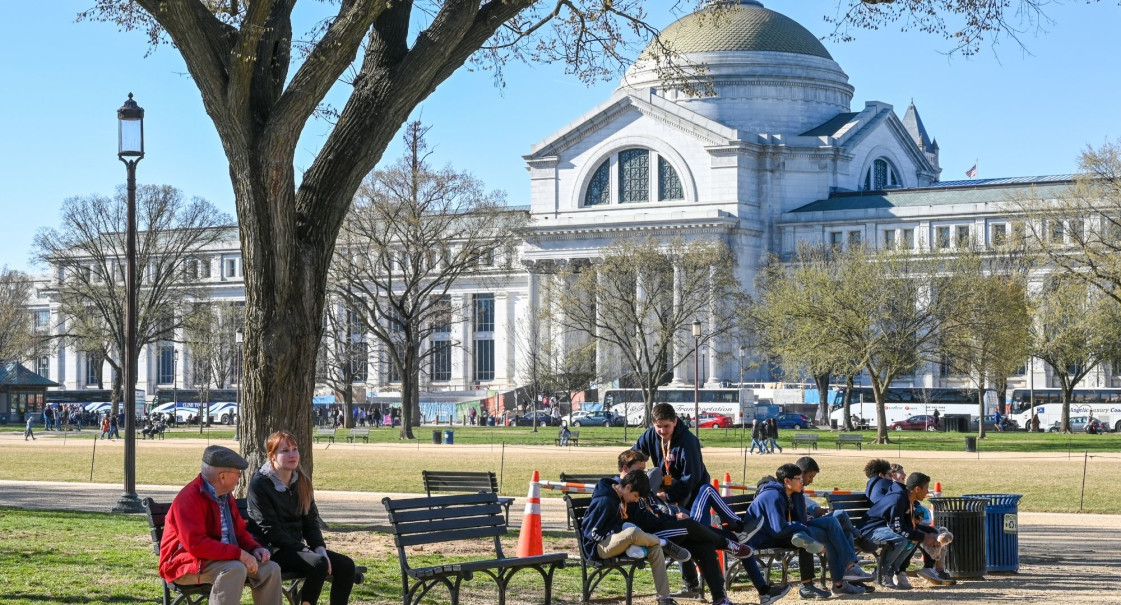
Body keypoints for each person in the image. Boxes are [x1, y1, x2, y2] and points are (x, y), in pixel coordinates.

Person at [617, 449, 788, 605]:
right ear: (625, 468)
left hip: (672, 527)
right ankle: (734, 539)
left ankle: (720, 599)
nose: (644, 474)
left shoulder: (641, 488)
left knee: (705, 546)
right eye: (639, 470)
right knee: (697, 519)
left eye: (644, 470)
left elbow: (655, 510)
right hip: (656, 536)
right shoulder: (625, 490)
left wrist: (670, 512)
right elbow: (640, 520)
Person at [158, 445, 282, 605]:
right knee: (235, 569)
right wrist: (239, 554)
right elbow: (196, 545)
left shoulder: (225, 496)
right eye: (237, 474)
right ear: (222, 477)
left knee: (271, 570)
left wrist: (253, 549)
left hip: (225, 558)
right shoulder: (189, 498)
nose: (239, 478)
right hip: (187, 562)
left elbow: (240, 532)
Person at [247, 431, 356, 605]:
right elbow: (268, 528)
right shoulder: (260, 484)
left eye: (295, 449)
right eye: (285, 451)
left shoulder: (302, 481)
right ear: (272, 456)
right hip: (270, 550)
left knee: (346, 565)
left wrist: (319, 547)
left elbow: (310, 522)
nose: (292, 454)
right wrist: (303, 549)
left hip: (296, 549)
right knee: (318, 564)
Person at [581, 469, 692, 605]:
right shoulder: (605, 501)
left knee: (654, 548)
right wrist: (618, 532)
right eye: (635, 496)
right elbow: (592, 533)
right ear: (628, 487)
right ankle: (665, 543)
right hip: (598, 547)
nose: (636, 500)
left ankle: (664, 598)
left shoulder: (622, 498)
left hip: (618, 542)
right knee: (632, 532)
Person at [633, 403, 743, 529]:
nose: (662, 431)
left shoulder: (688, 442)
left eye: (666, 426)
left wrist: (669, 496)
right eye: (659, 427)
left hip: (693, 493)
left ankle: (738, 528)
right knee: (656, 473)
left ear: (675, 421)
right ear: (653, 424)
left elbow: (691, 478)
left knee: (700, 530)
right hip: (668, 493)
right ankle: (736, 529)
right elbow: (633, 456)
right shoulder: (650, 435)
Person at [746, 464, 831, 599]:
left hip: (770, 534)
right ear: (787, 481)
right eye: (799, 479)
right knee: (802, 537)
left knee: (801, 539)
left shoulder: (786, 494)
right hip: (758, 539)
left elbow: (799, 520)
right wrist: (802, 528)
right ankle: (807, 586)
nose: (802, 482)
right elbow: (778, 529)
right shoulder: (773, 496)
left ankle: (807, 586)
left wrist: (799, 495)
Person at [794, 457, 874, 595]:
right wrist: (811, 513)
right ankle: (849, 567)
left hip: (811, 521)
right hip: (804, 526)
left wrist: (814, 509)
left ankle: (842, 582)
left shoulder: (798, 488)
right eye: (810, 476)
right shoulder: (792, 486)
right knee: (834, 525)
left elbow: (806, 503)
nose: (811, 480)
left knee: (840, 519)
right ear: (801, 472)